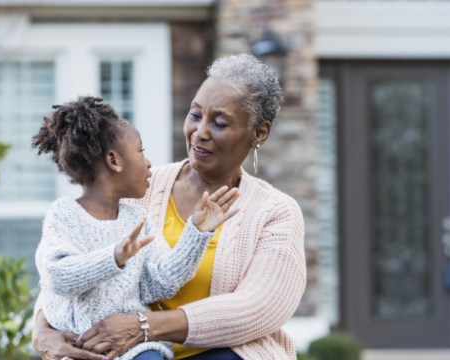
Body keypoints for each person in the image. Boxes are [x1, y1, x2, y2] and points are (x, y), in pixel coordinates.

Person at [32, 53, 306, 360]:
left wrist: (144, 326)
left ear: (259, 133)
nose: (200, 132)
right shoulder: (135, 188)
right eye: (195, 115)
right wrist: (41, 328)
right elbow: (70, 268)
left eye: (219, 123)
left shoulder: (276, 212)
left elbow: (259, 307)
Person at [32, 96, 240, 360]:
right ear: (114, 160)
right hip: (80, 349)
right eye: (141, 151)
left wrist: (196, 234)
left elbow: (160, 284)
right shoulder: (65, 214)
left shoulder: (136, 219)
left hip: (136, 349)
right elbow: (57, 278)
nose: (149, 162)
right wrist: (113, 258)